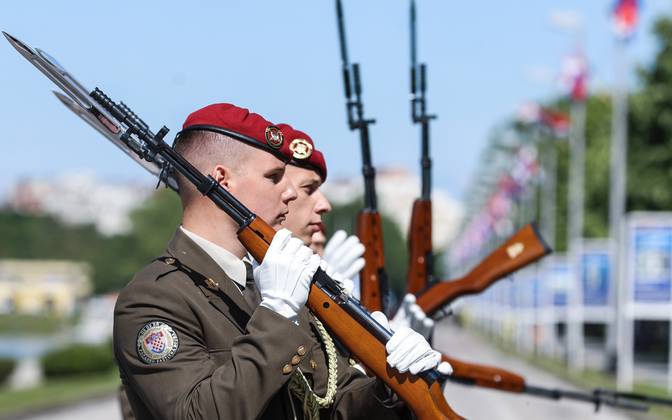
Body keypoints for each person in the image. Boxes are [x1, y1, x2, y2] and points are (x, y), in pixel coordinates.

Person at [113, 103, 447, 420]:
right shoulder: (154, 299)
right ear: (221, 180)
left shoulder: (271, 284)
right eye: (274, 177)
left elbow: (330, 404)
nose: (289, 193)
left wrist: (390, 388)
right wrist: (277, 314)